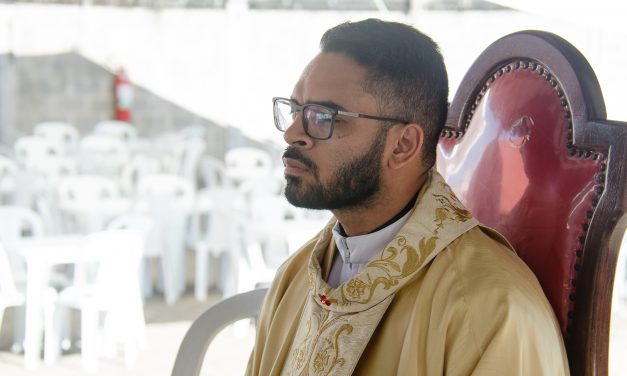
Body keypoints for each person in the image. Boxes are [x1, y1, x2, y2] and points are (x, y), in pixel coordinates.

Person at [246, 18, 569, 375]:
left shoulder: (490, 308)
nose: (293, 133)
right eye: (295, 111)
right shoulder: (295, 276)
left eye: (323, 116)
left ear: (403, 146)